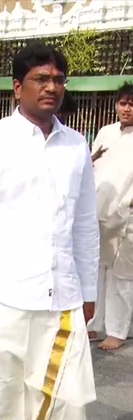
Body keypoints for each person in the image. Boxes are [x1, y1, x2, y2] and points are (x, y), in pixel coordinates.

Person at [0, 43, 99, 419]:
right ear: (18, 87)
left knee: (64, 404)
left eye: (59, 80)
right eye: (41, 79)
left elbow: (84, 226)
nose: (52, 87)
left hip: (62, 299)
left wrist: (89, 291)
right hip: (1, 299)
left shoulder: (77, 146)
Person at [88, 82, 133, 350]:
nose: (127, 108)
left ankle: (117, 330)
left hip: (127, 215)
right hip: (99, 211)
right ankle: (94, 323)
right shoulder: (105, 132)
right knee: (96, 270)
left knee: (122, 274)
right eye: (123, 103)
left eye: (132, 103)